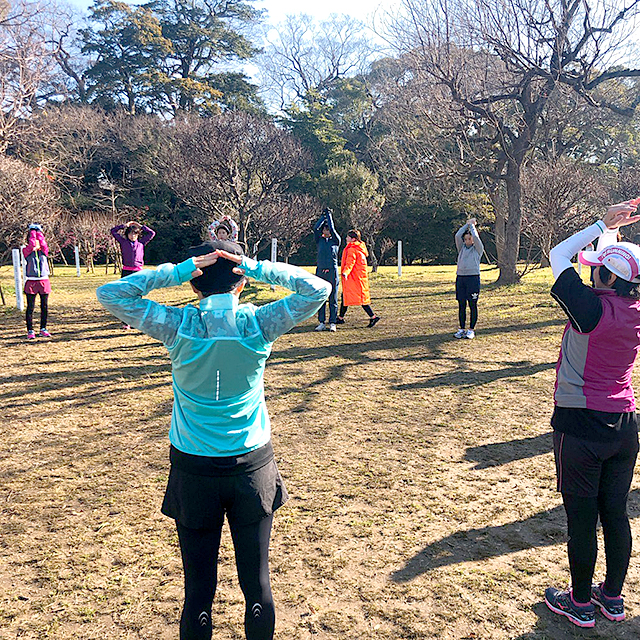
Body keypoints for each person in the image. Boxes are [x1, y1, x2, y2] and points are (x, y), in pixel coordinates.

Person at [96, 240, 331, 640]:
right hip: (252, 467)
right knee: (257, 583)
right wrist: (256, 267)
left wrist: (177, 270)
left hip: (194, 470)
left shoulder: (178, 325)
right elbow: (318, 289)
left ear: (194, 284)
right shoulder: (258, 323)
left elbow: (111, 294)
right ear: (241, 283)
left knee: (198, 590)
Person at [544, 199, 640, 629]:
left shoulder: (589, 309)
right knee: (615, 514)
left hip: (580, 426)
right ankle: (612, 599)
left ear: (607, 277)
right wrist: (613, 234)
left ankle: (580, 602)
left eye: (598, 268)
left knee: (582, 520)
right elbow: (614, 275)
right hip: (624, 426)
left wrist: (602, 223)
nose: (591, 272)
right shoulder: (633, 307)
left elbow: (559, 255)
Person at [110, 221, 156, 329]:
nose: (133, 236)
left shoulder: (141, 243)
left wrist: (140, 226)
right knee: (125, 296)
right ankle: (126, 322)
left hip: (138, 272)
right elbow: (113, 231)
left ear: (138, 235)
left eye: (135, 234)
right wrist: (124, 226)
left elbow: (152, 233)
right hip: (126, 271)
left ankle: (136, 321)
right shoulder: (123, 242)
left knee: (137, 296)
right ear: (127, 235)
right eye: (131, 234)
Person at [336, 230, 380, 328]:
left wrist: (345, 272)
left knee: (358, 299)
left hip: (353, 278)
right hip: (359, 278)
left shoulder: (352, 249)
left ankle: (373, 316)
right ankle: (340, 317)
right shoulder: (360, 248)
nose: (346, 238)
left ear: (353, 239)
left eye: (348, 237)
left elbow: (350, 262)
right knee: (348, 297)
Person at [454, 218, 484, 339]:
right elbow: (457, 236)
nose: (467, 241)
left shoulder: (478, 249)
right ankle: (461, 329)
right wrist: (467, 224)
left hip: (473, 278)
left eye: (469, 239)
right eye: (466, 239)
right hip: (461, 278)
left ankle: (471, 330)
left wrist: (472, 226)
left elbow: (476, 237)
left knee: (472, 304)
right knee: (461, 304)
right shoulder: (461, 249)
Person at [22, 223, 52, 340]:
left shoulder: (44, 251)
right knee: (30, 307)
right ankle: (30, 330)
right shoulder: (26, 251)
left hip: (44, 280)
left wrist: (39, 232)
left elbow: (43, 243)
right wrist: (32, 231)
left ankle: (43, 329)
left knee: (44, 306)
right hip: (31, 281)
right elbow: (32, 244)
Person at [313, 208, 341, 332]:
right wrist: (323, 217)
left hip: (332, 271)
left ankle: (333, 322)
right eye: (325, 229)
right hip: (320, 271)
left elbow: (333, 230)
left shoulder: (336, 241)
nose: (326, 231)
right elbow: (315, 229)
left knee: (333, 299)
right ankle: (321, 322)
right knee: (321, 297)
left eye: (328, 229)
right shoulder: (319, 240)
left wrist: (329, 216)